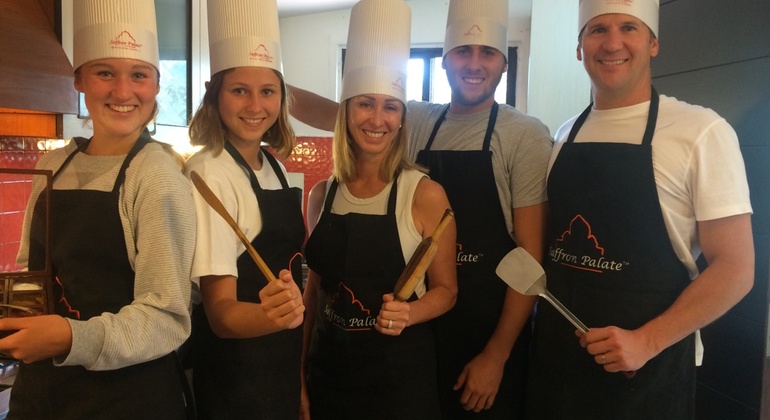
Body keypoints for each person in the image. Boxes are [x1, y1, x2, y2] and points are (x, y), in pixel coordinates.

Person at [290, 0, 552, 417]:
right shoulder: (418, 119)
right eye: (463, 51)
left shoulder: (524, 135)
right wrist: (262, 89)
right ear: (445, 59)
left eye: (487, 52)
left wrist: (496, 355)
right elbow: (341, 115)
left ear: (504, 63)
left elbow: (530, 259)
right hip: (414, 338)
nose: (474, 63)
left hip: (482, 336)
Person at [525, 0, 754, 418]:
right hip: (556, 361)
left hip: (646, 371)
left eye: (628, 27)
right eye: (597, 30)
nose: (612, 43)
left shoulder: (701, 130)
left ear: (653, 43)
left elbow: (736, 267)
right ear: (579, 48)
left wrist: (646, 342)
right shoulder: (563, 135)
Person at [0, 0, 197, 418]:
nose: (123, 92)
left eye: (139, 75)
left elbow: (167, 318)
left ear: (157, 85)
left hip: (126, 399)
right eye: (105, 72)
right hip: (42, 394)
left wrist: (71, 338)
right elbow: (30, 275)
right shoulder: (52, 164)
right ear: (79, 80)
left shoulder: (157, 175)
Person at [299, 0, 457, 418]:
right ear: (346, 112)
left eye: (390, 106)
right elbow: (313, 292)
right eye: (365, 103)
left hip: (398, 386)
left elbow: (446, 290)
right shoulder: (322, 195)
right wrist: (300, 377)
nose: (377, 118)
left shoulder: (424, 193)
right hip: (330, 375)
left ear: (403, 118)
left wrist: (410, 311)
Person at [184, 0, 306, 418]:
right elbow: (221, 315)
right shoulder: (209, 173)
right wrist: (283, 317)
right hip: (236, 377)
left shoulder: (274, 164)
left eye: (267, 91)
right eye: (240, 90)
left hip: (281, 363)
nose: (256, 106)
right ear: (215, 95)